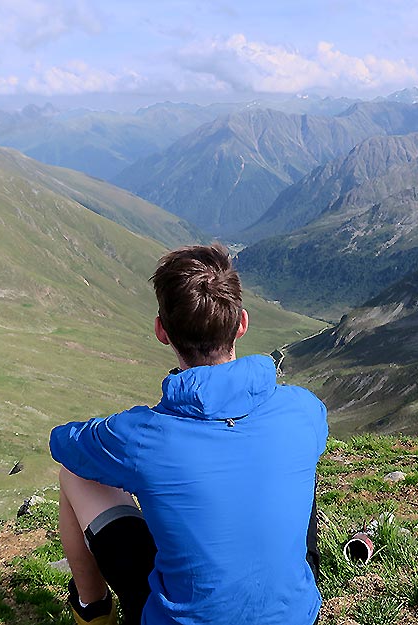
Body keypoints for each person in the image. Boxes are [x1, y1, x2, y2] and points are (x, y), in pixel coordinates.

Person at [49, 243, 328, 625]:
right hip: (298, 616)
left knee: (73, 473)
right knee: (296, 455)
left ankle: (93, 609)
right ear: (242, 323)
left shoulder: (143, 436)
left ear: (162, 331)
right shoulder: (305, 409)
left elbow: (63, 444)